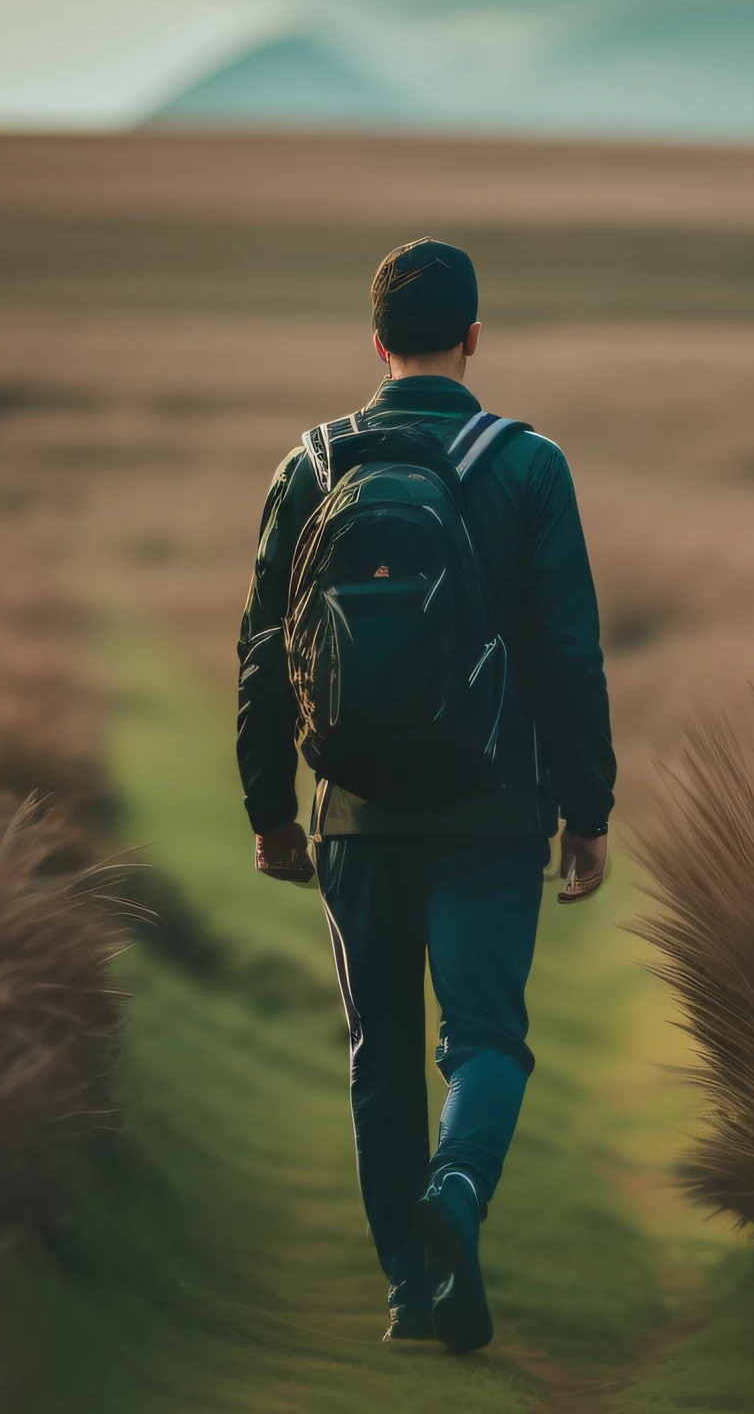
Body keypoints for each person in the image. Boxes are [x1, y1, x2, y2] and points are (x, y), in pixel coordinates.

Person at [235, 236, 616, 1352]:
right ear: (474, 337)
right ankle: (458, 1192)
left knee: (380, 1050)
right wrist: (586, 811)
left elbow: (263, 651)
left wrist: (268, 806)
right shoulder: (530, 465)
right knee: (487, 1037)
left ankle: (410, 1291)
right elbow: (570, 654)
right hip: (494, 810)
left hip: (352, 810)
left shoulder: (307, 468)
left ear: (377, 341)